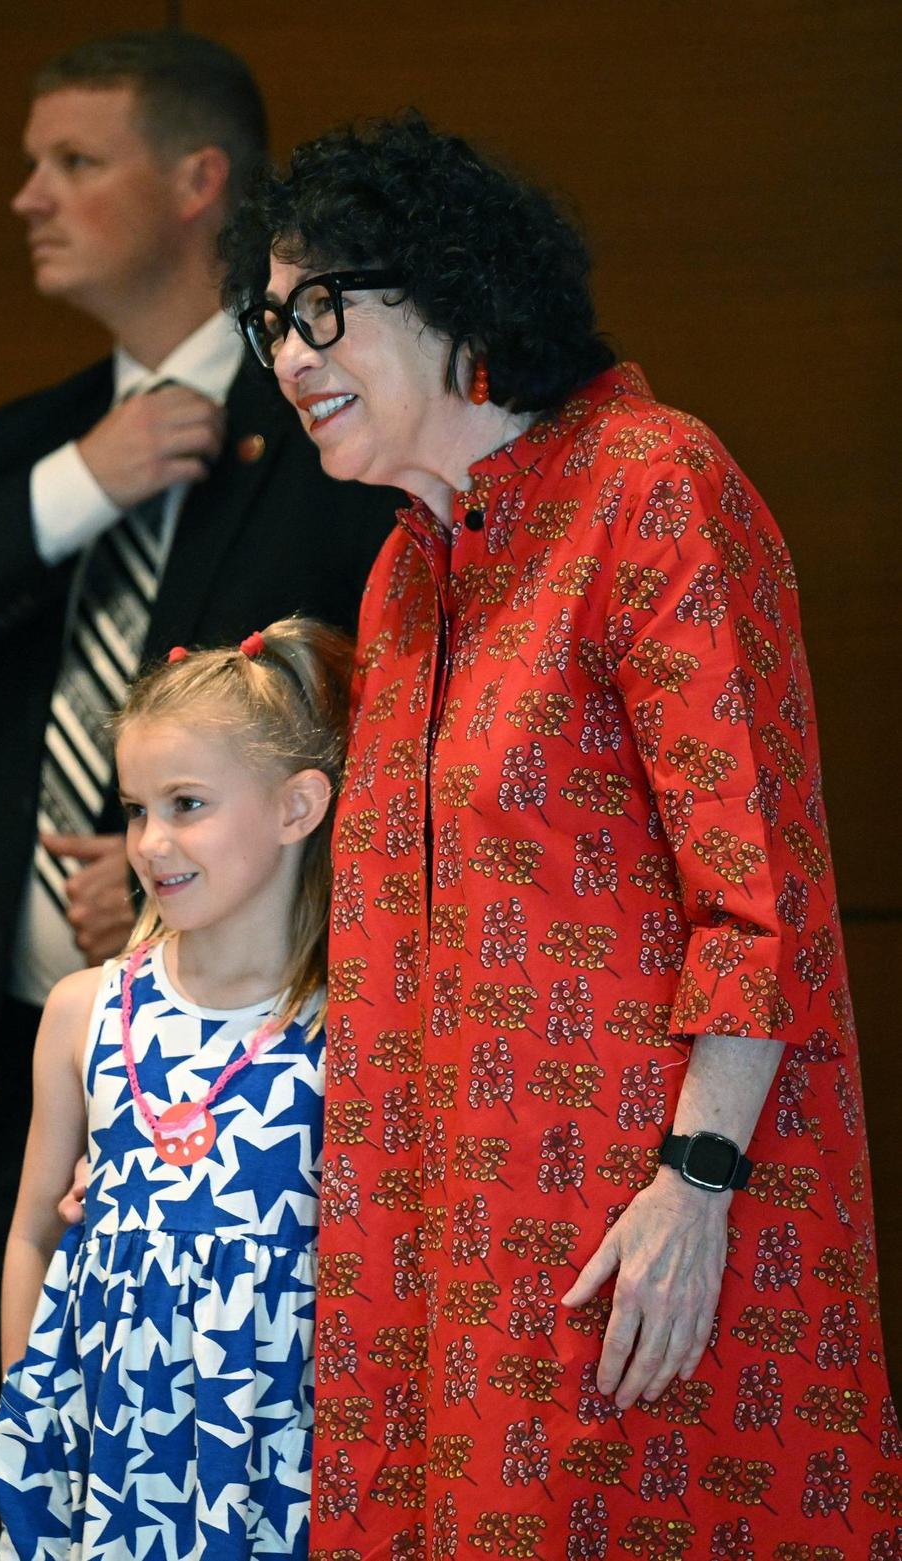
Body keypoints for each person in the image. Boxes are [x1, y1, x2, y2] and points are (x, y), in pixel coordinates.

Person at [221, 114, 899, 1555]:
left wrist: (697, 1187)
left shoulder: (653, 487)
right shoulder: (411, 571)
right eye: (269, 321)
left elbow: (756, 890)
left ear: (458, 292)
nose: (287, 357)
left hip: (640, 1238)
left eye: (323, 308)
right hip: (428, 1247)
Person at [0, 33, 397, 1560]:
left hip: (255, 1088)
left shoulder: (333, 438)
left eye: (74, 162)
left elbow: (388, 744)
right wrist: (84, 477)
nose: (28, 196)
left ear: (202, 182)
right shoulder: (39, 447)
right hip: (20, 1054)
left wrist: (183, 883)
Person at [0, 617, 350, 1559]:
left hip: (290, 1467)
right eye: (136, 807)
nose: (151, 842)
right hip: (113, 1470)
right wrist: (34, 1423)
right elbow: (34, 1230)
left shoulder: (348, 1030)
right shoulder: (83, 1012)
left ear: (298, 806)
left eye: (187, 802)